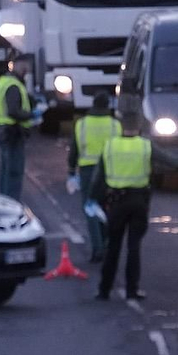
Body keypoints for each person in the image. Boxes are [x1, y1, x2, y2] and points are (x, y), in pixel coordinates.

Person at [90, 113, 153, 301]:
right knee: (134, 248)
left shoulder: (110, 146)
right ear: (139, 127)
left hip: (116, 203)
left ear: (121, 127)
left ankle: (104, 290)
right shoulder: (145, 146)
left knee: (113, 247)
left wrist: (92, 198)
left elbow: (98, 176)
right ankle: (132, 290)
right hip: (138, 202)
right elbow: (173, 161)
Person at [67, 93, 120, 262]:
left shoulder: (81, 124)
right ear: (107, 105)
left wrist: (71, 170)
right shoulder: (115, 125)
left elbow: (74, 150)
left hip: (88, 171)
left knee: (90, 208)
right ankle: (104, 243)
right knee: (105, 208)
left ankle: (97, 248)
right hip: (109, 172)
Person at [0, 52, 34, 200]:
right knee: (14, 172)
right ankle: (11, 205)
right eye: (26, 67)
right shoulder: (13, 85)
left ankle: (3, 202)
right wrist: (32, 115)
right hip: (13, 134)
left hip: (5, 132)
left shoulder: (4, 81)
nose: (27, 71)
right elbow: (13, 111)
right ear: (19, 65)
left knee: (6, 171)